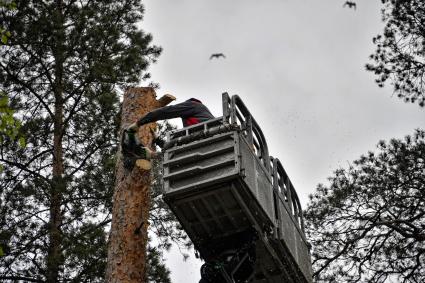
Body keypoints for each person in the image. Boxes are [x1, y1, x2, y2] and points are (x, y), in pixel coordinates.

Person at [126, 98, 214, 160]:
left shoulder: (193, 105)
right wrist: (158, 141)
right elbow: (177, 144)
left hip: (207, 141)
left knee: (177, 139)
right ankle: (152, 155)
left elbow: (166, 112)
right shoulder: (200, 122)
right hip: (209, 146)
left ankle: (151, 154)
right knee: (177, 141)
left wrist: (139, 122)